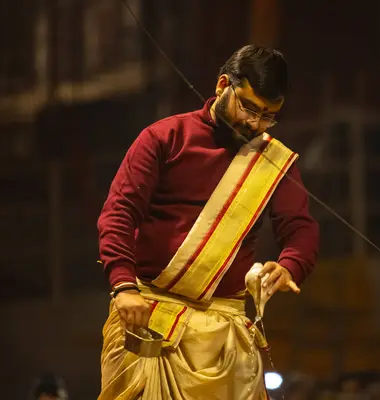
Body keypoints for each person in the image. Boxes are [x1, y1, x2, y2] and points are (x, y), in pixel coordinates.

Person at [97, 44, 320, 399]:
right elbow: (119, 213)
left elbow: (300, 227)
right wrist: (124, 286)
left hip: (224, 335)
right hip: (149, 317)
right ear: (221, 86)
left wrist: (290, 266)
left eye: (267, 115)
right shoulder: (164, 137)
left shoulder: (273, 160)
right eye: (248, 107)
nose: (254, 123)